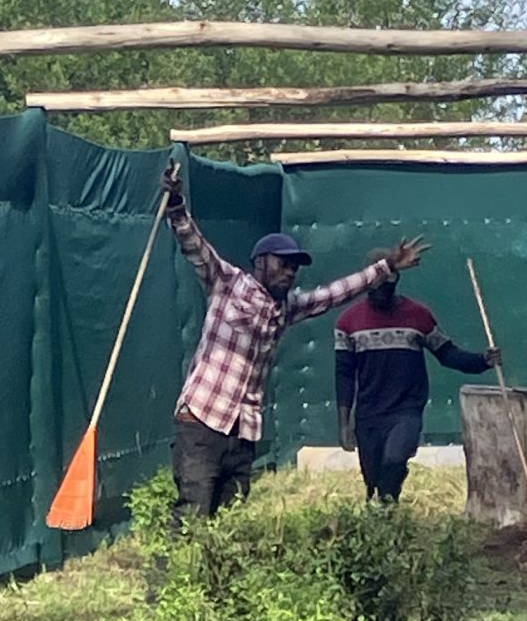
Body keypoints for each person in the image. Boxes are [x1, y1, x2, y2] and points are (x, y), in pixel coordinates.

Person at [161, 158, 427, 519]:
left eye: (294, 266)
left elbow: (336, 293)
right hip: (202, 421)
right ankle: (175, 576)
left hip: (243, 430)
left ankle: (215, 576)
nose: (289, 271)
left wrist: (387, 267)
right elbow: (195, 246)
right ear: (260, 262)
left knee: (228, 518)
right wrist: (176, 207)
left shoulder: (286, 308)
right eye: (282, 263)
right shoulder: (228, 284)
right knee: (192, 512)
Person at [332, 265, 498, 504]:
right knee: (373, 478)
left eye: (387, 287)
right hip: (369, 413)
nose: (381, 293)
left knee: (394, 461)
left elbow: (447, 354)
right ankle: (382, 519)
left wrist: (482, 360)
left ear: (395, 282)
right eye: (375, 288)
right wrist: (344, 423)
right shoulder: (348, 322)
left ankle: (390, 504)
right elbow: (344, 374)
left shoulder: (418, 316)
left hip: (406, 409)